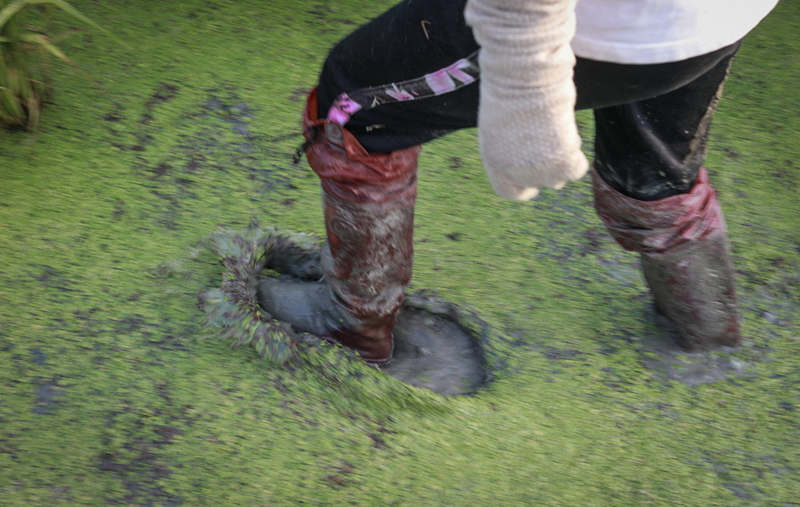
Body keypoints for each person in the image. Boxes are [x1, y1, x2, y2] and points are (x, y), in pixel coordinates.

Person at [258, 0, 779, 365]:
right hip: (717, 15)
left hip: (585, 22)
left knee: (350, 104)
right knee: (657, 168)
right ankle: (706, 331)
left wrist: (524, 75)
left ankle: (352, 320)